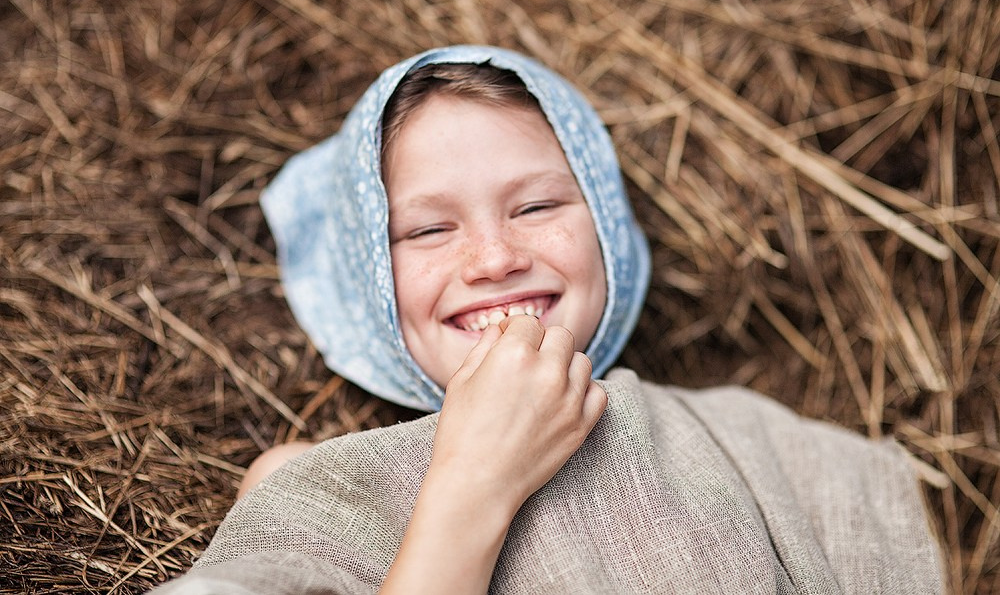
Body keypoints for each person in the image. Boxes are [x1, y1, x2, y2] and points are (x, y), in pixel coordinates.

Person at [153, 46, 943, 594]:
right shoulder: (315, 487)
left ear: (604, 222)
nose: (495, 258)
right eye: (429, 229)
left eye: (536, 206)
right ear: (369, 280)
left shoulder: (767, 445)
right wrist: (474, 481)